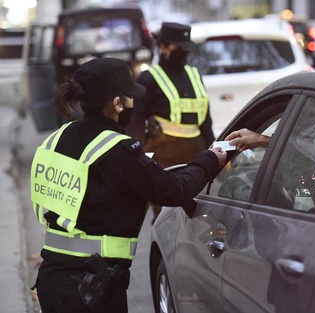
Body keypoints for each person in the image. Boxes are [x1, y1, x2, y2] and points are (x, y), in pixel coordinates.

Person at [30, 57, 226, 313]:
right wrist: (211, 158)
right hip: (91, 289)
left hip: (52, 281)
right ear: (117, 103)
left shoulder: (58, 137)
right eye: (130, 97)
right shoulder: (117, 149)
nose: (133, 102)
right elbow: (175, 190)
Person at [126, 22, 215, 168]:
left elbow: (206, 123)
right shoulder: (148, 78)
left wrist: (213, 151)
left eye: (187, 47)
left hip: (196, 155)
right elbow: (136, 124)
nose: (184, 51)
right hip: (163, 158)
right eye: (179, 47)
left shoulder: (194, 74)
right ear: (163, 47)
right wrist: (137, 159)